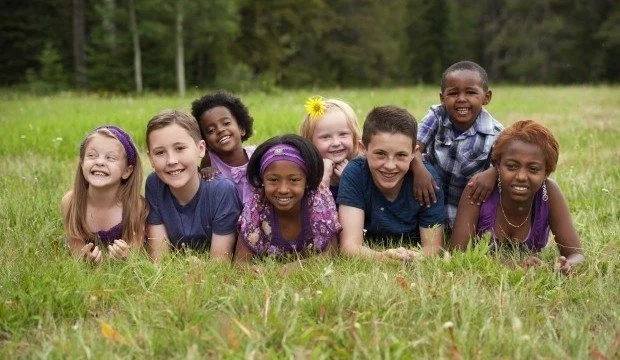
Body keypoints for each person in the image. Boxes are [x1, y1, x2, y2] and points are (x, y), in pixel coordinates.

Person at [450, 120, 585, 275]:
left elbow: (577, 254)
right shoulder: (478, 189)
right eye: (512, 166)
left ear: (546, 172)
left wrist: (567, 265)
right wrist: (515, 266)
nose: (521, 176)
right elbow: (457, 254)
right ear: (498, 165)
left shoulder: (549, 193)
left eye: (533, 169)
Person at [338, 106, 445, 260]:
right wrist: (383, 257)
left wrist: (413, 257)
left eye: (401, 155)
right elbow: (349, 247)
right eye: (380, 154)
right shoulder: (355, 173)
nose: (389, 165)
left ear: (413, 153)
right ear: (363, 149)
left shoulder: (428, 181)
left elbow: (433, 249)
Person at [413, 60, 504, 230]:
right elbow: (413, 147)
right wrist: (418, 168)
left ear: (486, 97)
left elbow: (507, 165)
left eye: (470, 92)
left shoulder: (496, 133)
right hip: (428, 195)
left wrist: (494, 172)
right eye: (453, 93)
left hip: (468, 206)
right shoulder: (437, 115)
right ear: (442, 98)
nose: (462, 99)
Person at [145, 110, 241, 262]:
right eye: (160, 152)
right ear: (150, 158)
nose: (171, 160)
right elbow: (159, 259)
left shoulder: (222, 191)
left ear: (201, 148)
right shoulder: (154, 184)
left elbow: (219, 264)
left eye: (180, 148)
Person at [234, 134, 340, 263]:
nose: (283, 189)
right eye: (273, 180)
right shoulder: (256, 207)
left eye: (294, 180)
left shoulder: (319, 200)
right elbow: (240, 264)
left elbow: (332, 254)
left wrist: (291, 269)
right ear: (262, 180)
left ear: (307, 180)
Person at [61, 125, 147, 264]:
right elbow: (76, 252)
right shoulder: (70, 202)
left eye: (111, 157)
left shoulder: (135, 205)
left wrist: (125, 256)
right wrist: (85, 260)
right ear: (82, 163)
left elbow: (135, 253)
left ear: (127, 171)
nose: (99, 162)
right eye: (91, 155)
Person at [191, 91, 255, 203]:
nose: (220, 130)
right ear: (205, 141)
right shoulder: (209, 160)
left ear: (241, 128)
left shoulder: (256, 156)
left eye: (226, 123)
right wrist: (205, 172)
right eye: (211, 130)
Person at [299, 96, 362, 200]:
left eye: (343, 134)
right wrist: (323, 179)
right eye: (326, 137)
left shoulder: (363, 168)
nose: (336, 143)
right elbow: (310, 210)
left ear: (354, 136)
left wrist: (350, 180)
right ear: (309, 142)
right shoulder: (306, 173)